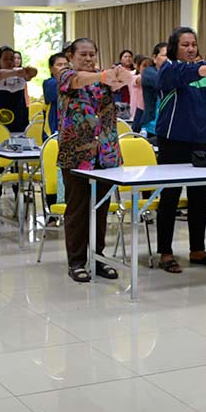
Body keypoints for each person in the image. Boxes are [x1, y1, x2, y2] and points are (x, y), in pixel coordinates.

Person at [154, 26, 206, 273]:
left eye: (193, 44)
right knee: (170, 198)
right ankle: (165, 252)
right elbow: (192, 71)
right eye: (185, 45)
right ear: (174, 47)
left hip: (202, 141)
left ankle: (197, 249)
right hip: (173, 140)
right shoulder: (170, 69)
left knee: (199, 197)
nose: (191, 49)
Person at [56, 38, 134, 282]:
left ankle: (98, 258)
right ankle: (76, 262)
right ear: (71, 56)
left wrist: (121, 75)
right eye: (83, 54)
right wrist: (104, 75)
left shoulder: (104, 79)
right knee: (77, 211)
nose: (88, 58)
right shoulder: (65, 75)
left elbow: (124, 81)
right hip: (76, 155)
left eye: (92, 54)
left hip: (106, 153)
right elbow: (77, 81)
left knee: (100, 210)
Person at [0, 46, 37, 131]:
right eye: (6, 59)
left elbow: (33, 73)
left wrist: (27, 71)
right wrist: (18, 72)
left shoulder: (21, 73)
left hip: (19, 119)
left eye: (11, 59)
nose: (9, 62)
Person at [139, 41, 167, 139]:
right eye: (165, 55)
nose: (168, 59)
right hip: (152, 126)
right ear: (155, 58)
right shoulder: (148, 72)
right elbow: (163, 83)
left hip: (170, 126)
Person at [42, 51, 68, 140]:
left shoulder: (74, 81)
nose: (63, 67)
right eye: (59, 65)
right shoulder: (49, 83)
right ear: (51, 68)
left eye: (66, 64)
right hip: (53, 127)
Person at [128, 54, 148, 130]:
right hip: (137, 111)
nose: (147, 68)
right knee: (136, 133)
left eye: (150, 66)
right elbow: (141, 80)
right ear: (138, 67)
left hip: (149, 111)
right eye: (144, 66)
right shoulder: (134, 77)